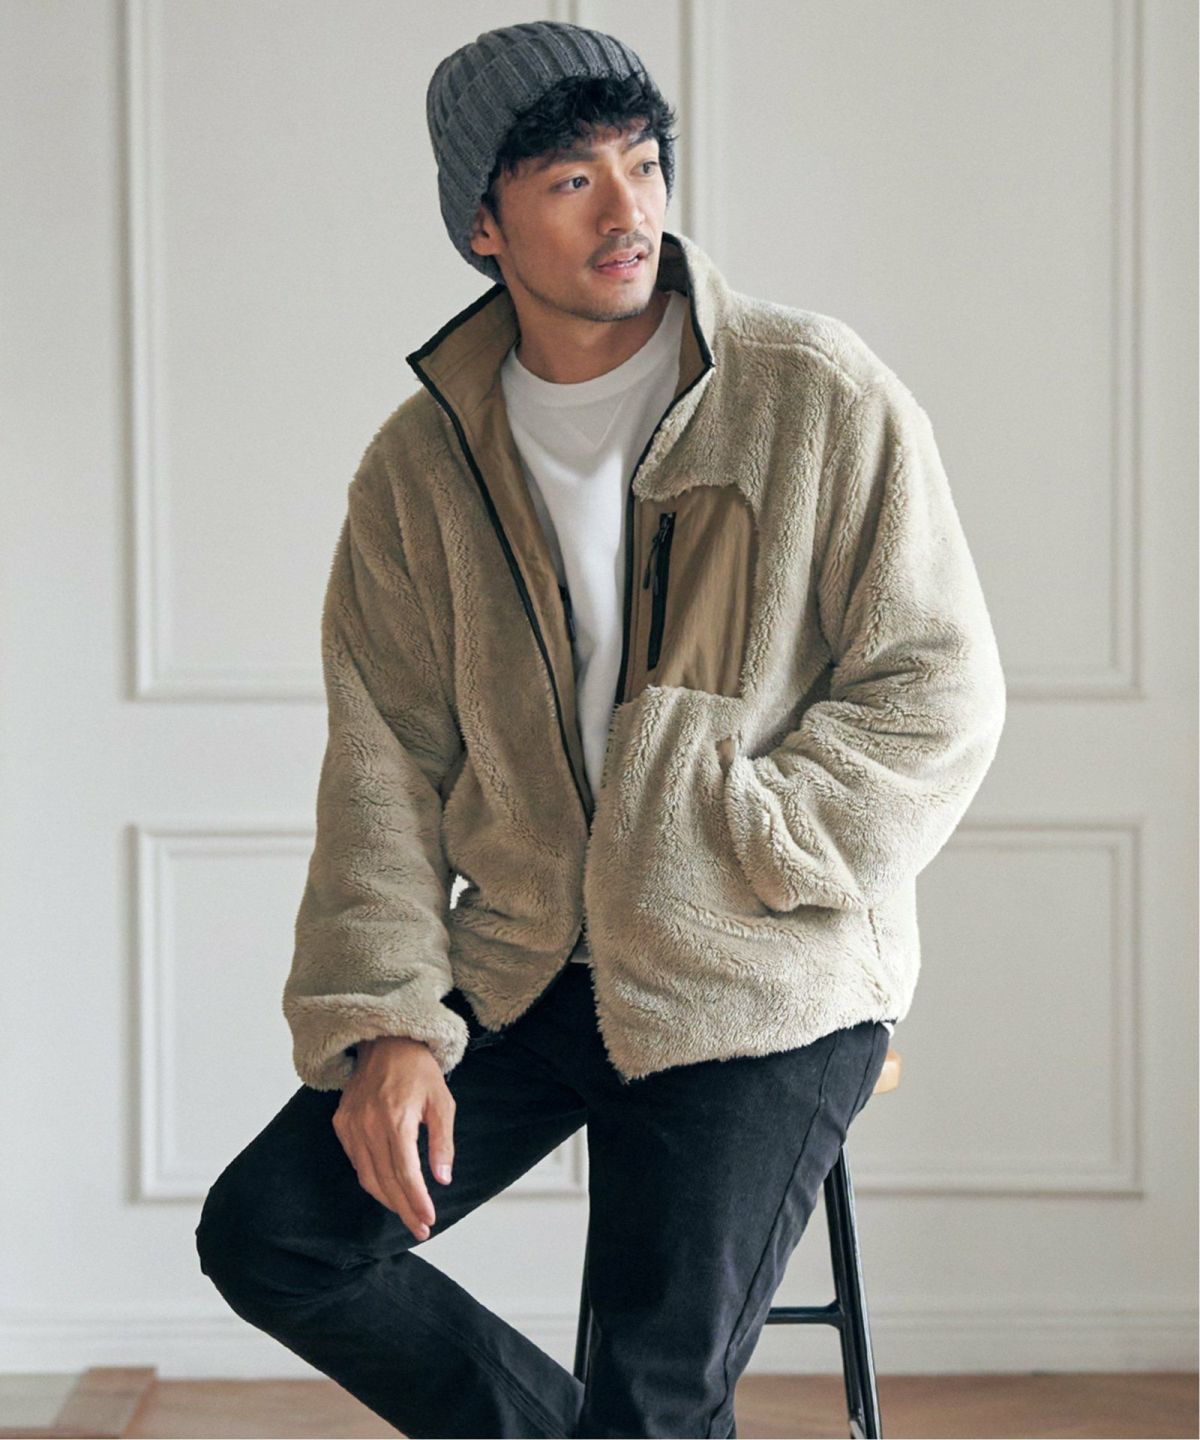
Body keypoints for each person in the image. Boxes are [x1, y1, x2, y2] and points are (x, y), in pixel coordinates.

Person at [195, 19, 1006, 1439]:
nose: (627, 209)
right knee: (274, 1234)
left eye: (642, 163)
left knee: (655, 1398)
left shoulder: (809, 391)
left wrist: (747, 839)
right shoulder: (422, 468)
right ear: (483, 225)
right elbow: (384, 769)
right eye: (572, 180)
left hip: (760, 960)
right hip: (530, 956)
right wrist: (387, 1025)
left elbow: (937, 687)